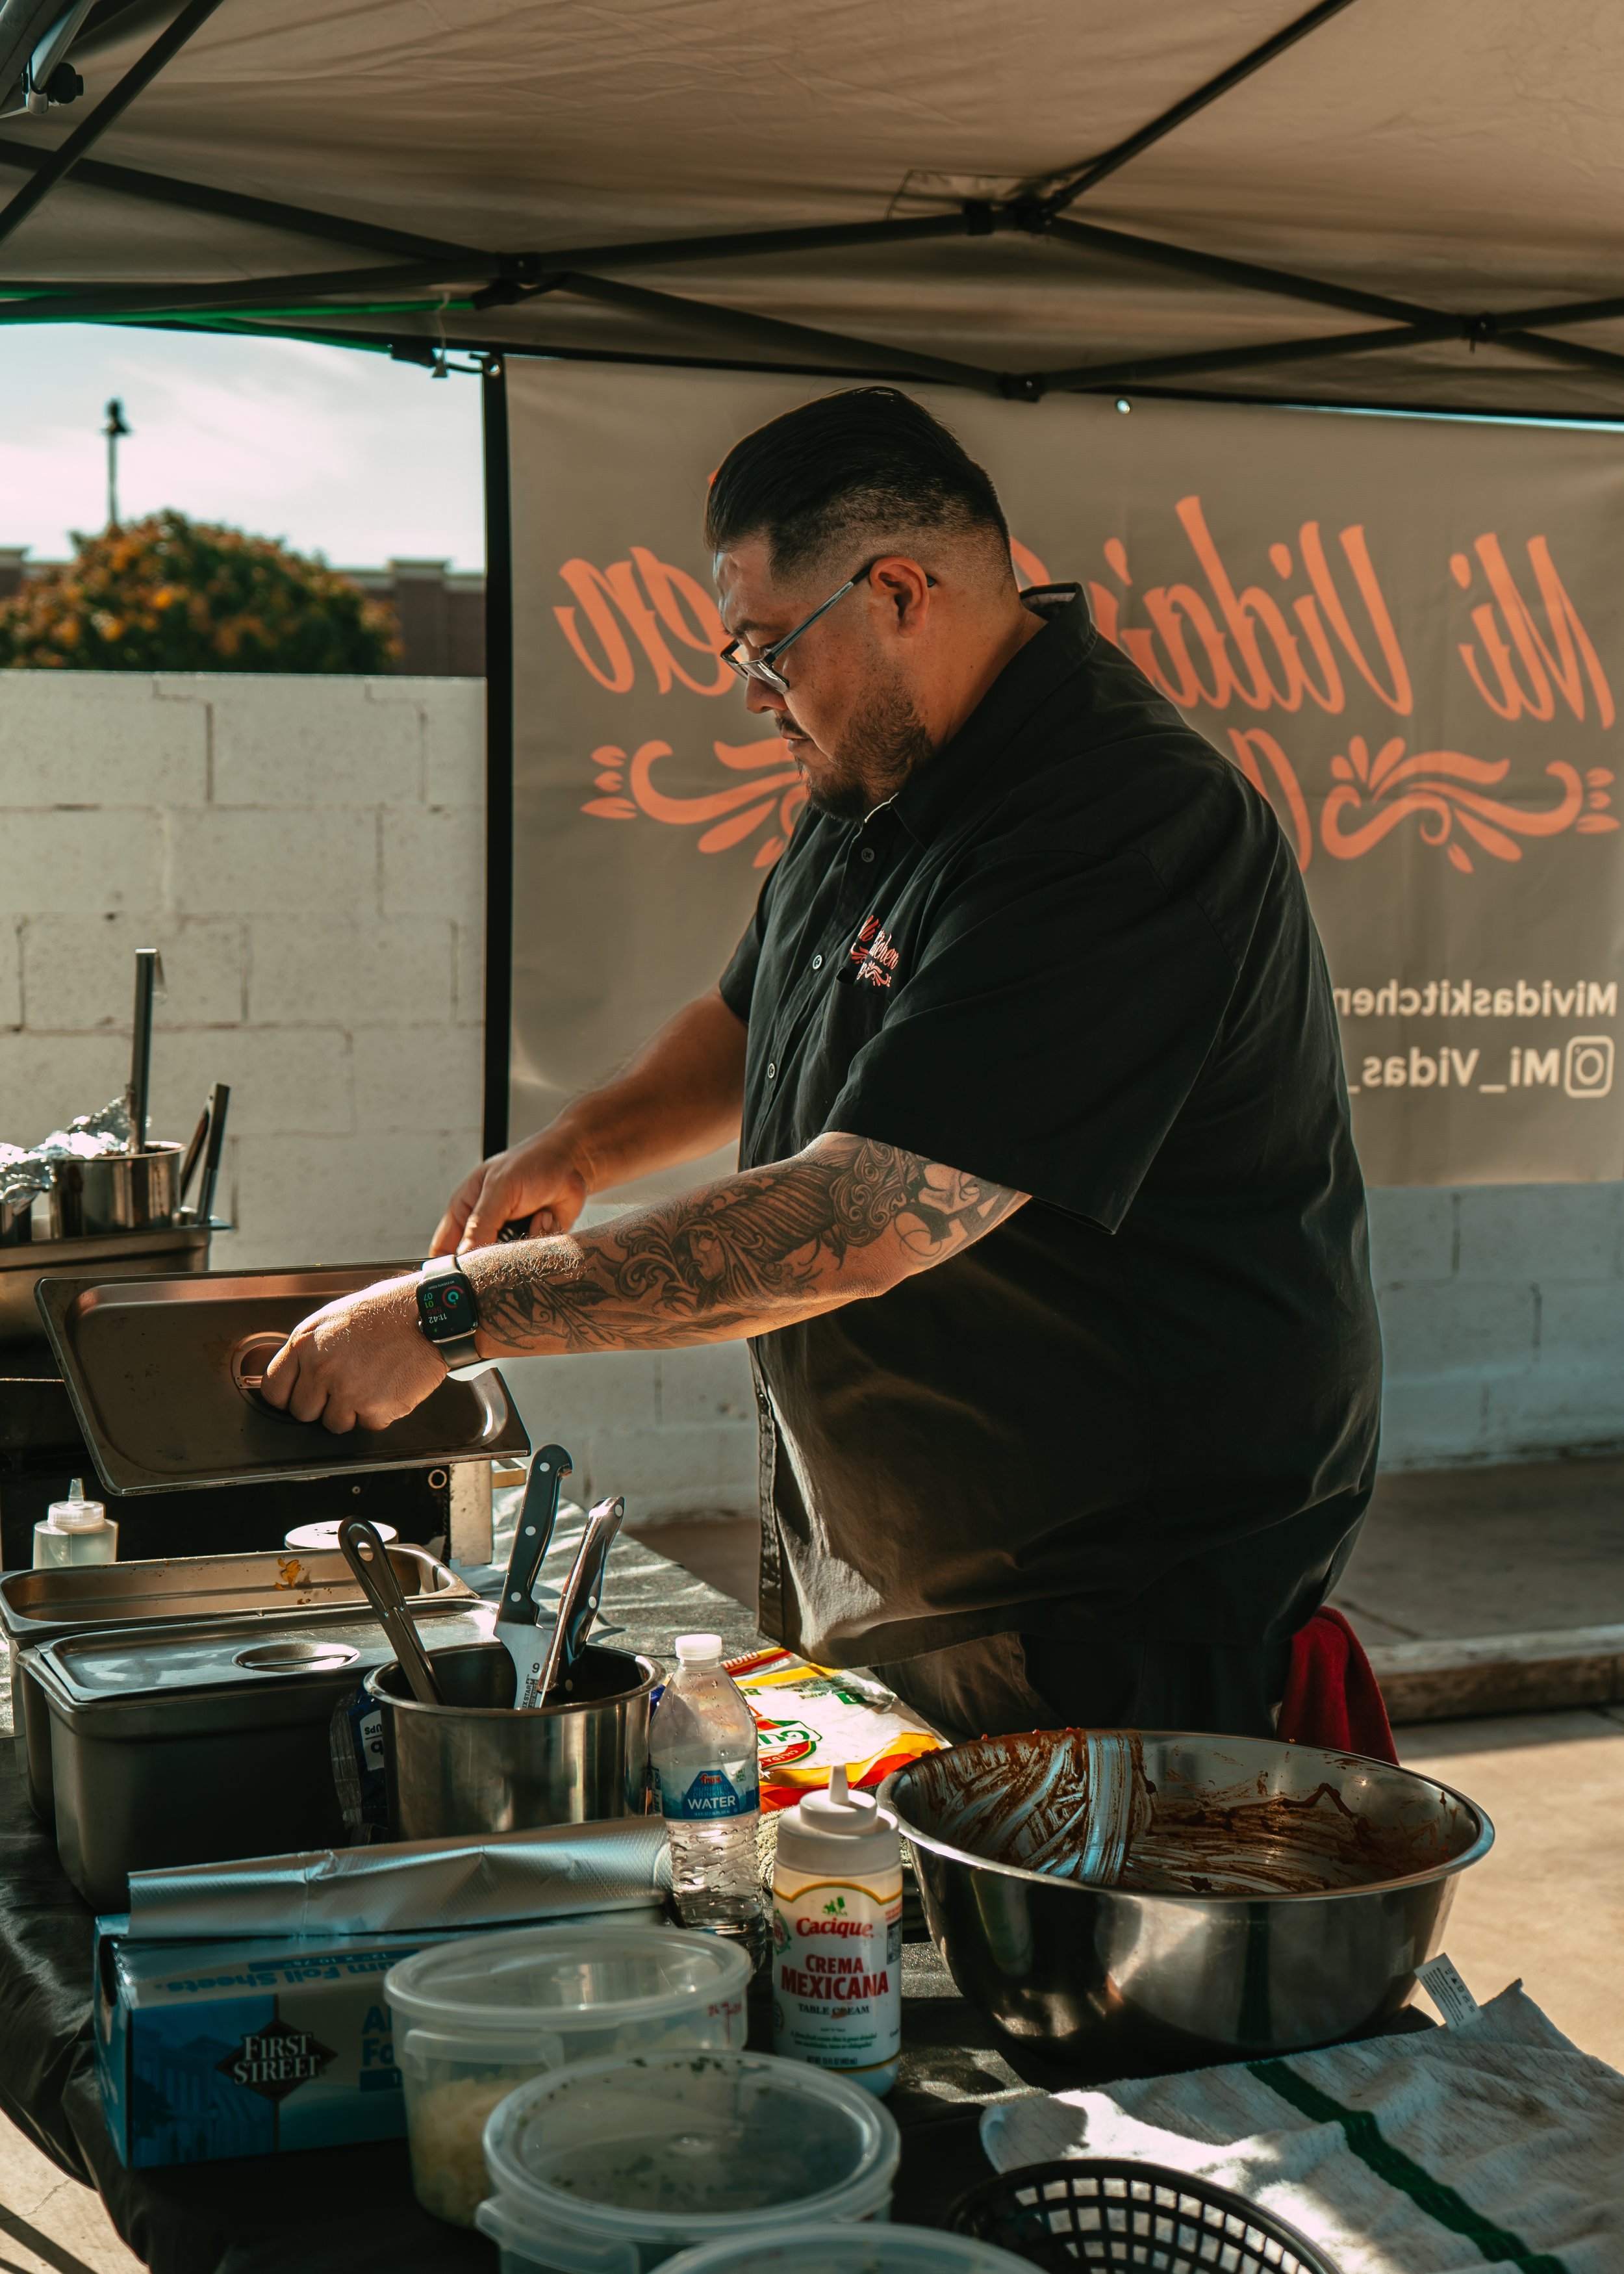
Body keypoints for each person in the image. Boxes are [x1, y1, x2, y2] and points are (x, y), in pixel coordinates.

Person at [262, 385, 1382, 1743]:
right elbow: (755, 1016)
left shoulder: (1116, 827)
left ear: (898, 589)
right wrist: (583, 1146)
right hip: (897, 1575)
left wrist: (446, 1318)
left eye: (768, 647)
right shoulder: (878, 781)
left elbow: (854, 1224)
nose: (752, 694)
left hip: (1103, 1615)